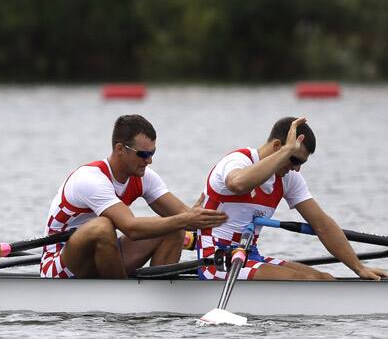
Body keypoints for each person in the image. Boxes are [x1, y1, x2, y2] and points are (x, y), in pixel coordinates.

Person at [196, 116, 387, 281]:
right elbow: (237, 184)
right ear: (278, 146)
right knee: (303, 281)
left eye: (301, 163)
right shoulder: (237, 161)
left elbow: (322, 225)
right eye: (294, 160)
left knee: (323, 279)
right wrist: (285, 153)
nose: (296, 168)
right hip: (215, 259)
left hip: (248, 255)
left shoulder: (288, 178)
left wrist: (359, 268)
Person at [41, 114, 227, 279]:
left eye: (152, 153)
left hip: (105, 256)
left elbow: (186, 217)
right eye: (143, 154)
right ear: (120, 149)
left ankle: (159, 300)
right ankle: (123, 300)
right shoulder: (90, 178)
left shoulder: (145, 176)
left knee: (173, 227)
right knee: (102, 227)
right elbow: (132, 228)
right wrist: (186, 219)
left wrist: (224, 222)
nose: (149, 160)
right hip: (60, 264)